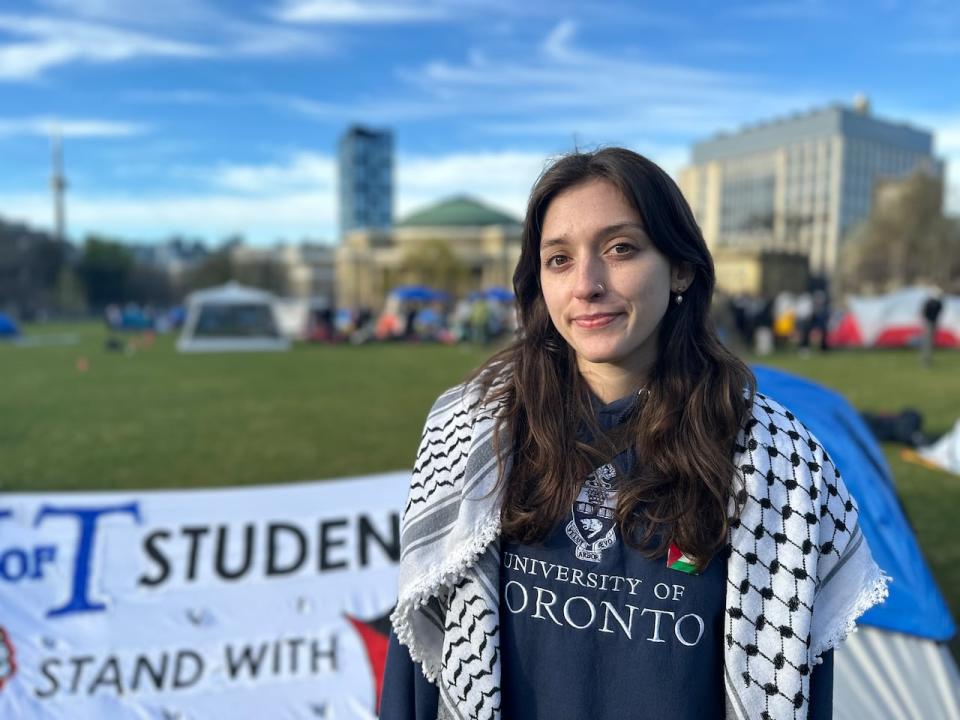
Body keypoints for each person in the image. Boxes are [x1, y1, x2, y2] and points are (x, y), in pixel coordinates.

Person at [382, 148, 887, 720]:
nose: (587, 285)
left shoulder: (780, 463)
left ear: (681, 267)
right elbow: (417, 673)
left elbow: (793, 683)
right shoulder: (472, 431)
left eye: (620, 249)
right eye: (558, 260)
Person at [921, 288, 944, 368]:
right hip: (930, 323)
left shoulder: (937, 303)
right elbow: (925, 313)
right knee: (928, 342)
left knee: (930, 342)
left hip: (932, 323)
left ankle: (927, 360)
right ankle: (926, 361)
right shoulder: (932, 303)